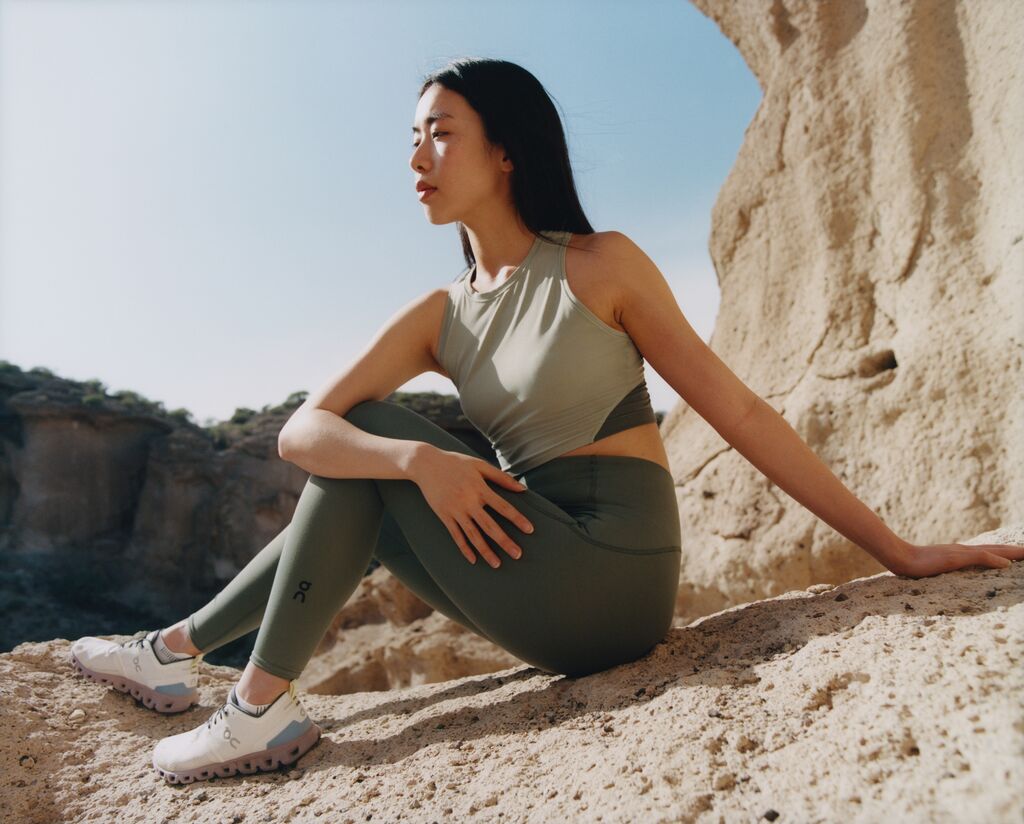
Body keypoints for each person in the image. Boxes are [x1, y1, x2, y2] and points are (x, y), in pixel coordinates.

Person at [68, 57, 1021, 785]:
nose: (416, 158)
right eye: (412, 137)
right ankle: (173, 657)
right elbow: (302, 432)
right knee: (373, 442)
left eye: (439, 133)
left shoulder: (600, 264)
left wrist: (902, 553)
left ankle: (247, 701)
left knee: (376, 458)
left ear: (506, 147)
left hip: (611, 573)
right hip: (530, 548)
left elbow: (734, 408)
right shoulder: (441, 313)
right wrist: (420, 460)